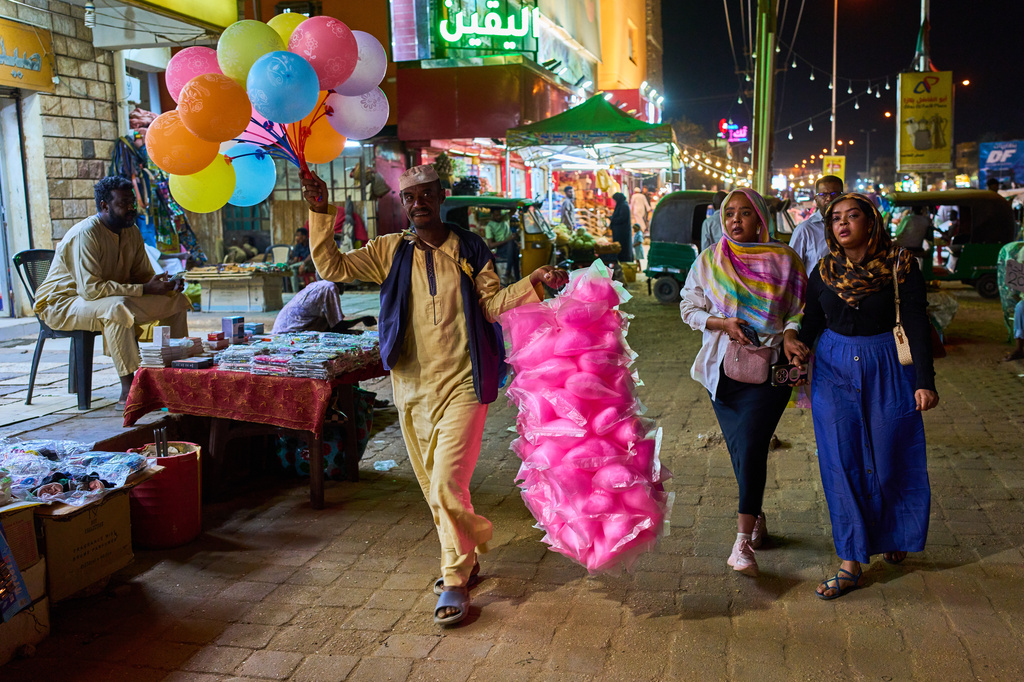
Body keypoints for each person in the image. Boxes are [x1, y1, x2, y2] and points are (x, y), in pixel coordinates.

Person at [302, 164, 568, 626]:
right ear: (403, 205)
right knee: (434, 488)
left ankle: (454, 579)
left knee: (447, 484)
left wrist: (533, 285)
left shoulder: (469, 247)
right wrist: (320, 211)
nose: (418, 203)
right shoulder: (389, 250)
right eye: (410, 197)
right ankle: (465, 556)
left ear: (440, 196)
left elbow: (489, 305)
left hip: (465, 379)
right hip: (410, 384)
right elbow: (332, 267)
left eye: (426, 194)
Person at [795, 192, 938, 600]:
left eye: (852, 216)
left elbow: (915, 322)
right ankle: (851, 560)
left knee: (892, 454)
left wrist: (924, 381)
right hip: (833, 370)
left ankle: (893, 532)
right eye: (835, 218)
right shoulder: (823, 270)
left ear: (871, 222)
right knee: (842, 462)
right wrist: (794, 341)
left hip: (889, 365)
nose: (842, 224)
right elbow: (812, 321)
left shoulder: (900, 265)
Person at [679, 188, 808, 577]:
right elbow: (688, 308)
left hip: (771, 370)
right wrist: (721, 323)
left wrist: (789, 333)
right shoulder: (709, 260)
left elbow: (800, 307)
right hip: (722, 371)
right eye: (729, 213)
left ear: (761, 218)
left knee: (751, 443)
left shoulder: (786, 260)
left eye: (745, 213)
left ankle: (740, 544)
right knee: (741, 450)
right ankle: (756, 516)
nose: (735, 220)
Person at [33, 176, 190, 404]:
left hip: (107, 296)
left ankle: (169, 374)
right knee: (117, 309)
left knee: (175, 300)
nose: (130, 208)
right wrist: (145, 288)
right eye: (123, 203)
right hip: (63, 303)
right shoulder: (86, 234)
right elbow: (90, 290)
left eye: (131, 202)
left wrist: (164, 284)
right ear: (104, 206)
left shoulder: (132, 231)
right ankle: (130, 390)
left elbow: (141, 275)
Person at [271, 279, 376, 334]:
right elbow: (337, 326)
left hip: (284, 329)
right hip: (289, 333)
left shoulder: (320, 285)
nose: (345, 284)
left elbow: (331, 325)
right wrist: (361, 319)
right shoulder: (330, 287)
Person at [790, 175, 844, 273]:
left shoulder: (850, 227)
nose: (829, 199)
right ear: (816, 198)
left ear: (843, 197)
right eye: (823, 194)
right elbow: (791, 268)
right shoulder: (805, 230)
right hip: (814, 287)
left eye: (834, 194)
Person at [484, 209, 520, 283]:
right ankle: (512, 274)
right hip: (501, 250)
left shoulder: (504, 218)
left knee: (514, 248)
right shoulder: (489, 226)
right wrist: (508, 239)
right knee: (512, 245)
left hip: (511, 248)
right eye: (496, 215)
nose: (499, 217)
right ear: (492, 215)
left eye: (499, 214)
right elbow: (490, 245)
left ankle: (510, 274)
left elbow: (514, 208)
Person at [610, 192, 633, 262]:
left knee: (623, 247)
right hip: (620, 231)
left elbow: (622, 218)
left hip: (622, 232)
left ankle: (624, 260)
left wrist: (613, 219)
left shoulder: (623, 206)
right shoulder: (622, 205)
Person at [288, 227, 313, 292]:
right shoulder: (298, 245)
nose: (297, 238)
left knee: (292, 267)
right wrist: (289, 261)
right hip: (302, 265)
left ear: (304, 236)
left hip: (312, 264)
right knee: (292, 269)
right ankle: (295, 292)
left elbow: (311, 256)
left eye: (298, 236)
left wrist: (303, 264)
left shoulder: (311, 243)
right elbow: (295, 259)